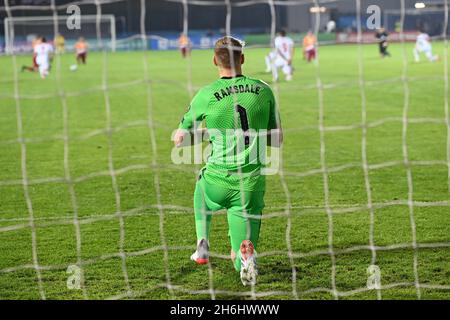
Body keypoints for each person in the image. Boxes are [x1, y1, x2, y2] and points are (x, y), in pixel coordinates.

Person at [173, 36, 283, 286]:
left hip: (217, 180)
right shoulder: (264, 90)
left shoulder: (206, 94)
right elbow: (277, 140)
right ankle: (244, 256)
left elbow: (180, 139)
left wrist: (208, 133)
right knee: (241, 247)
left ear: (215, 61)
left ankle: (202, 243)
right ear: (242, 59)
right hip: (251, 184)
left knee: (201, 187)